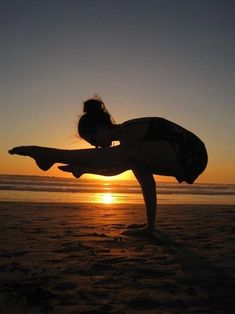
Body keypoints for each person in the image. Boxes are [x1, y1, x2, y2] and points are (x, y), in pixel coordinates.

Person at [9, 96, 208, 236]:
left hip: (191, 154)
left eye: (93, 139)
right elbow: (124, 170)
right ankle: (150, 227)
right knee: (136, 165)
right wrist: (86, 169)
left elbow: (115, 164)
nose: (96, 146)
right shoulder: (131, 143)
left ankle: (49, 154)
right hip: (183, 157)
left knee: (130, 157)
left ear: (101, 128)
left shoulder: (129, 133)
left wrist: (84, 166)